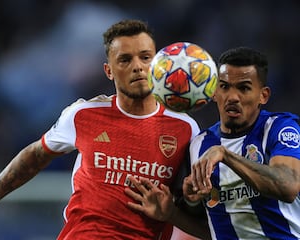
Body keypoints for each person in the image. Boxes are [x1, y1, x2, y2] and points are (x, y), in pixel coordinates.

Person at [0, 19, 202, 239]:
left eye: (145, 57)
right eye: (124, 59)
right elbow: (35, 156)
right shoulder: (83, 115)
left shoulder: (184, 128)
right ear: (109, 71)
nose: (137, 66)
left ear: (157, 63)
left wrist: (177, 210)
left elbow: (190, 205)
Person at [125, 46, 300, 239]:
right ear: (214, 92)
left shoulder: (279, 128)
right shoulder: (199, 144)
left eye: (244, 88)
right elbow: (213, 231)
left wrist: (225, 155)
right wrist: (173, 213)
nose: (233, 97)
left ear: (263, 95)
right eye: (224, 86)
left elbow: (288, 186)